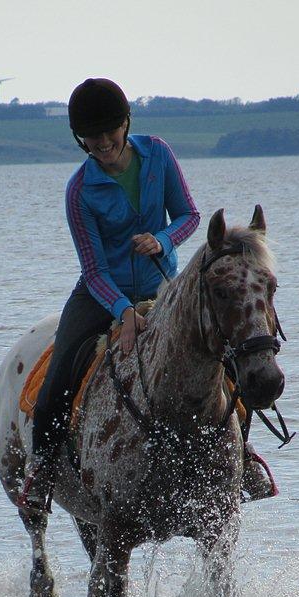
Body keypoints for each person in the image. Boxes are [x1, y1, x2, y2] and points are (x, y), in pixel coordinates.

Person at [18, 77, 275, 513]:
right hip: (101, 295)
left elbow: (190, 216)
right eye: (91, 137)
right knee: (59, 375)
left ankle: (241, 452)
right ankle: (42, 468)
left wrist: (162, 239)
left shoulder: (158, 154)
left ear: (126, 123)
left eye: (109, 132)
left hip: (165, 290)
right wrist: (122, 313)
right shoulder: (80, 191)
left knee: (227, 354)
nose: (102, 143)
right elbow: (94, 269)